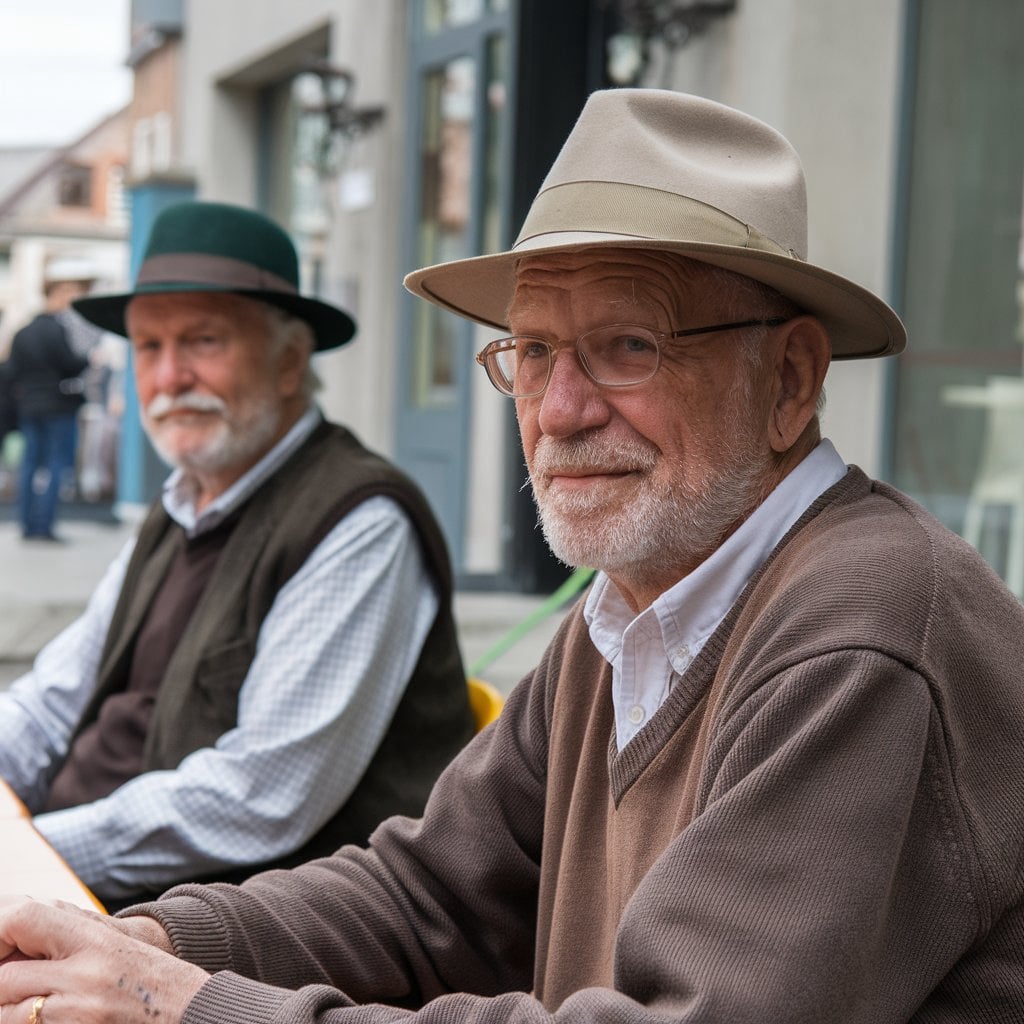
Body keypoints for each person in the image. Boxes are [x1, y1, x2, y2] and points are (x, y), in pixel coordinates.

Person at [3, 89, 1023, 1024]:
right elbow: (425, 893)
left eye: (629, 344)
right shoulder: (629, 614)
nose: (562, 411)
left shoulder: (864, 629)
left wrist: (195, 1006)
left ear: (790, 379)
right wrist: (149, 941)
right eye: (532, 352)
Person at [0, 200, 473, 911]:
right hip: (82, 885)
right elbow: (49, 702)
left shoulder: (360, 517)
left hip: (221, 938)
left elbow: (259, 796)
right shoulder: (180, 505)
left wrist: (34, 858)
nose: (170, 377)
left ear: (288, 362)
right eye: (149, 348)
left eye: (204, 341)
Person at [4, 260, 96, 540]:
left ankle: (27, 524)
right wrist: (87, 359)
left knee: (30, 464)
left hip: (30, 406)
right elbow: (72, 363)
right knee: (56, 464)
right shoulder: (59, 331)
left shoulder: (22, 333)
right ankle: (44, 526)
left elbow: (11, 371)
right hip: (57, 405)